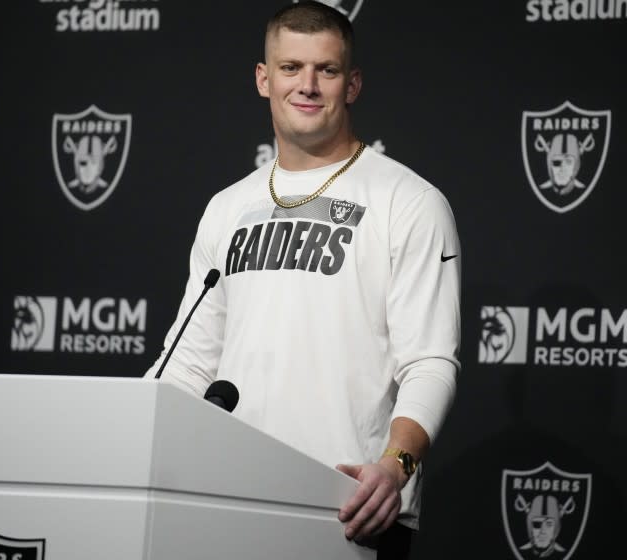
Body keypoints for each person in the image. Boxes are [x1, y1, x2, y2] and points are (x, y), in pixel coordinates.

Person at [146, 2, 461, 557]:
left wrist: (396, 466)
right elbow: (190, 361)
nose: (307, 85)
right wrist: (123, 434)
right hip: (224, 500)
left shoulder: (409, 202)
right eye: (290, 68)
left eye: (327, 70)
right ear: (263, 79)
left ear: (353, 83)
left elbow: (430, 361)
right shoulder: (227, 207)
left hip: (349, 508)